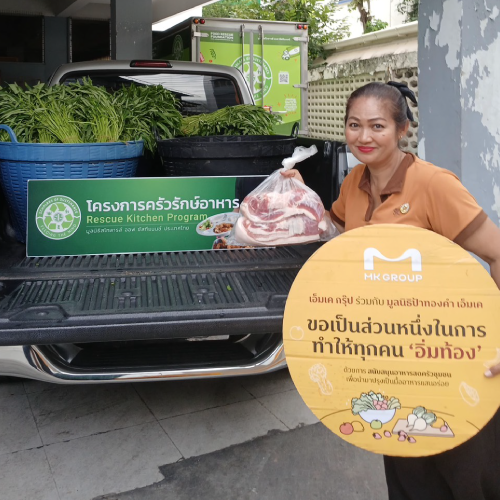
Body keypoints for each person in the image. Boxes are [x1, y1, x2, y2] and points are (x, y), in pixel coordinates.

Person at [282, 81, 500, 500]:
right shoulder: (354, 182)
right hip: (390, 359)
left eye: (377, 126)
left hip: (449, 355)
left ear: (402, 129)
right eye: (354, 125)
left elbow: (497, 252)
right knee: (408, 477)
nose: (363, 136)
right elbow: (336, 233)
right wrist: (297, 196)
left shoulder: (434, 185)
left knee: (469, 476)